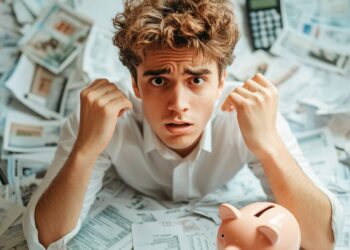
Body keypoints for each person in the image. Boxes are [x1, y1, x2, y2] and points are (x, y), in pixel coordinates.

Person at [23, 0, 343, 249]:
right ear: (134, 84)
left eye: (197, 79)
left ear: (221, 83)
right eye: (159, 80)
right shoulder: (102, 117)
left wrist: (269, 144)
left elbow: (323, 241)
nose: (178, 104)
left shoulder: (250, 114)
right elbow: (44, 239)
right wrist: (84, 150)